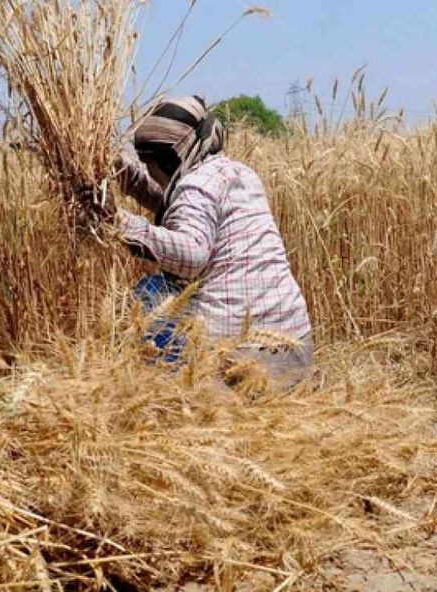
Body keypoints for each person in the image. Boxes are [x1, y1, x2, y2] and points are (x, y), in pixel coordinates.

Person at [113, 95, 314, 384]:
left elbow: (192, 254)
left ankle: (179, 385)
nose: (151, 173)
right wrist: (127, 177)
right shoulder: (238, 173)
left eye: (150, 163)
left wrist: (118, 222)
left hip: (240, 355)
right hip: (296, 346)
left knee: (150, 293)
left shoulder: (195, 185)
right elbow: (179, 210)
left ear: (171, 157)